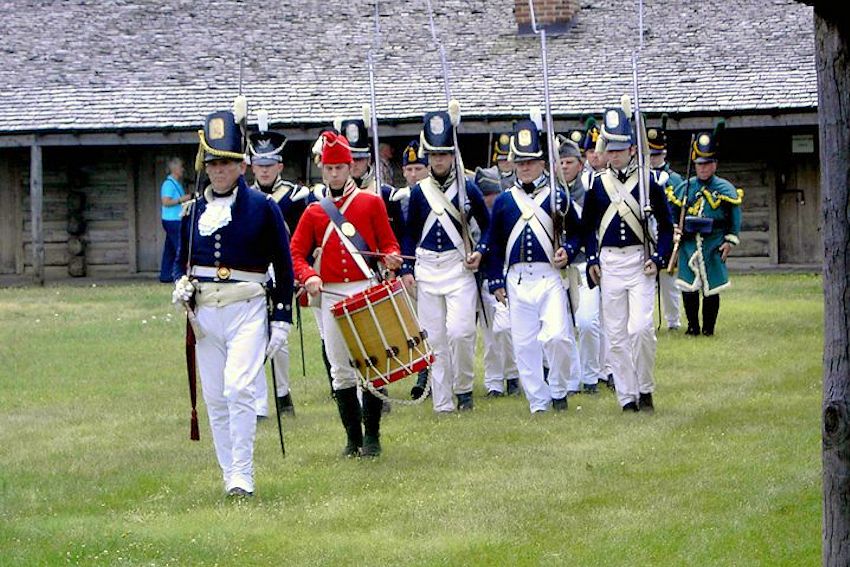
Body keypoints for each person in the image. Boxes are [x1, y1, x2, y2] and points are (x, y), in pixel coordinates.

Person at [172, 107, 294, 497]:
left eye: (226, 163)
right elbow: (180, 261)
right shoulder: (193, 212)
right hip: (206, 315)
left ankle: (244, 472)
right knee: (215, 397)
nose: (218, 171)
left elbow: (283, 265)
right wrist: (181, 286)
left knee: (240, 389)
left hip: (248, 309)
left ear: (241, 166)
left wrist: (281, 318)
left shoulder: (263, 207)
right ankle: (228, 474)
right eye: (212, 164)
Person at [289, 130, 402, 458]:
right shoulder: (314, 212)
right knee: (340, 369)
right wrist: (309, 274)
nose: (334, 173)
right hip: (331, 295)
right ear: (322, 169)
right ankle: (352, 439)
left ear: (350, 167)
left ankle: (373, 437)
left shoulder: (371, 203)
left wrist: (392, 256)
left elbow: (389, 243)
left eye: (339, 167)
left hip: (365, 289)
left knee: (373, 366)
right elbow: (295, 253)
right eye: (328, 168)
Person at [480, 116, 581, 413]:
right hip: (517, 279)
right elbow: (494, 242)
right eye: (520, 162)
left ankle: (560, 388)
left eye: (531, 162)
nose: (525, 167)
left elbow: (576, 234)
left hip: (549, 276)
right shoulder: (504, 201)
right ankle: (538, 401)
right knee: (524, 345)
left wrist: (568, 250)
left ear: (542, 163)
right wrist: (496, 280)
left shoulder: (557, 197)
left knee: (557, 337)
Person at [581, 101, 673, 412]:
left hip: (639, 262)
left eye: (621, 148)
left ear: (632, 149)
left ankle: (645, 388)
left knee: (641, 329)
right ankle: (626, 396)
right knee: (616, 335)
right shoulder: (597, 185)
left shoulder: (649, 183)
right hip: (610, 264)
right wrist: (592, 260)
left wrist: (659, 258)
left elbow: (666, 225)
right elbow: (587, 228)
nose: (616, 154)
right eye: (611, 149)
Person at [399, 108, 490, 413]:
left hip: (457, 266)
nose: (438, 160)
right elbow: (410, 234)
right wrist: (408, 267)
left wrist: (481, 250)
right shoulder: (420, 192)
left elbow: (487, 226)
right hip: (427, 268)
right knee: (435, 338)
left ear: (453, 155)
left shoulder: (469, 189)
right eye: (434, 154)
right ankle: (443, 402)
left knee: (461, 332)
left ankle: (463, 387)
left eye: (444, 154)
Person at [246, 120, 309, 418]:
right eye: (259, 164)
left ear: (280, 165)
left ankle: (283, 394)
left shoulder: (296, 197)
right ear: (251, 166)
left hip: (283, 272)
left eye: (270, 163)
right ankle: (259, 403)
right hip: (253, 274)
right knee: (251, 337)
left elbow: (302, 237)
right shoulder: (244, 198)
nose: (265, 169)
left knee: (277, 338)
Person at [668, 120, 743, 336]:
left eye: (708, 163)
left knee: (711, 288)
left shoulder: (724, 188)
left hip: (713, 244)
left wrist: (729, 241)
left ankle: (708, 328)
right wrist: (676, 229)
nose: (703, 168)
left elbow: (734, 218)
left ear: (715, 164)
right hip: (689, 243)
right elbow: (674, 211)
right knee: (689, 287)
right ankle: (692, 326)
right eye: (700, 164)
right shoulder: (685, 187)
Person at [558, 137, 604, 395]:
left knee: (588, 322)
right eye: (560, 162)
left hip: (586, 262)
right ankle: (573, 379)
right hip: (559, 268)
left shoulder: (590, 189)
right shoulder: (551, 191)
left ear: (580, 163)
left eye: (569, 162)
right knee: (563, 327)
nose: (564, 167)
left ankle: (592, 376)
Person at [474, 166, 520, 398]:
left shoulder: (507, 212)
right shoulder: (473, 219)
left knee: (505, 329)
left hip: (506, 277)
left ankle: (512, 375)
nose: (487, 199)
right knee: (490, 335)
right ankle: (494, 382)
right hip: (481, 279)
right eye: (483, 195)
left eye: (490, 194)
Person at [393, 140, 432, 400]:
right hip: (407, 269)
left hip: (433, 264)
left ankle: (428, 376)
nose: (413, 174)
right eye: (409, 170)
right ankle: (422, 373)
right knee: (415, 328)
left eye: (418, 168)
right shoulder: (395, 199)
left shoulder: (433, 195)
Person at [647, 116, 684, 331]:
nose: (653, 159)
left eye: (657, 154)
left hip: (668, 232)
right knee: (647, 279)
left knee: (669, 281)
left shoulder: (675, 180)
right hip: (646, 231)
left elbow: (680, 209)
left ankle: (673, 321)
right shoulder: (642, 178)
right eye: (650, 155)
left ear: (664, 153)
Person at [159, 157, 189, 283]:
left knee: (170, 249)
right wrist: (182, 199)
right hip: (172, 220)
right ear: (174, 169)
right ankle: (181, 274)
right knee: (179, 247)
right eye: (181, 167)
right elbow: (165, 202)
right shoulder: (168, 184)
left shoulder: (176, 183)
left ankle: (165, 275)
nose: (183, 169)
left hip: (175, 220)